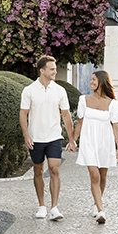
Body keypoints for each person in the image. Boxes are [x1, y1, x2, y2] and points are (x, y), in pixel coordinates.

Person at [19, 54, 75, 220]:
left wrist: (71, 138)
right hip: (35, 138)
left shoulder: (60, 91)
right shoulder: (29, 90)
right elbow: (23, 114)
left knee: (54, 169)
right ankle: (41, 206)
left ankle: (54, 208)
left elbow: (66, 116)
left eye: (55, 69)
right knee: (37, 170)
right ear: (42, 70)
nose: (55, 72)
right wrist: (26, 134)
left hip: (54, 137)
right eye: (51, 69)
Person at [71, 69, 118, 224]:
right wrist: (73, 140)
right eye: (91, 80)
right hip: (88, 142)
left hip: (105, 143)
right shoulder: (83, 100)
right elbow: (79, 123)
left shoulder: (113, 104)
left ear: (102, 82)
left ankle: (96, 203)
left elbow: (116, 128)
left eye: (94, 80)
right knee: (94, 175)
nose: (91, 82)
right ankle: (101, 210)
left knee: (103, 175)